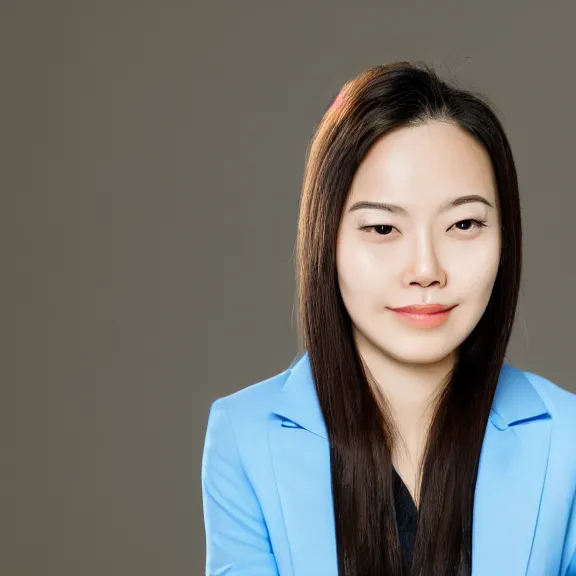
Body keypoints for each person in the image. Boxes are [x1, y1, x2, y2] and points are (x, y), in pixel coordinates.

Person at [200, 61, 576, 575]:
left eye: (464, 223)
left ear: (505, 237)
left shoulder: (568, 440)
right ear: (325, 240)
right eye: (381, 228)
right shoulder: (244, 436)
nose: (426, 269)